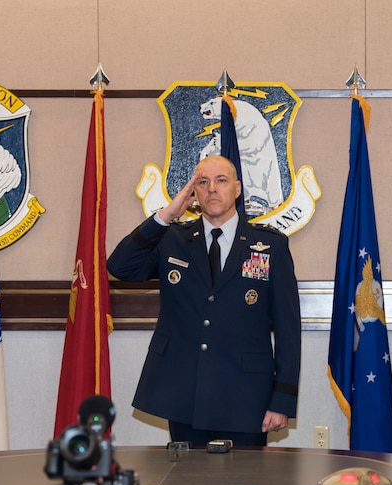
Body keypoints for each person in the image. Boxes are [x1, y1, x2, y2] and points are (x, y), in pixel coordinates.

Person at [107, 155, 301, 447]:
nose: (212, 189)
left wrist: (282, 400)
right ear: (193, 192)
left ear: (237, 189)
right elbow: (120, 267)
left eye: (221, 180)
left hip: (246, 397)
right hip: (185, 394)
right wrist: (165, 216)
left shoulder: (270, 245)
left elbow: (288, 329)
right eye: (203, 182)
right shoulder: (172, 239)